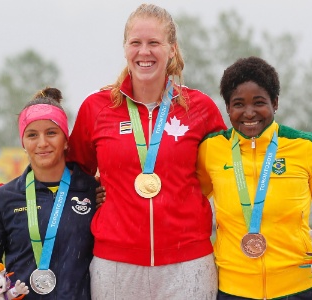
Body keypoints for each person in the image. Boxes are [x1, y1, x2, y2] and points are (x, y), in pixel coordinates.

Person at [67, 4, 226, 299]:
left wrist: (307, 151)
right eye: (136, 43)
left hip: (188, 262)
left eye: (154, 43)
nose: (144, 52)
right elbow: (69, 176)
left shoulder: (200, 108)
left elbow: (235, 166)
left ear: (172, 50)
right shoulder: (97, 108)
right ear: (125, 48)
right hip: (115, 263)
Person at [196, 56, 312, 300]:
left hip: (297, 288)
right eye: (238, 104)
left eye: (259, 102)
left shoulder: (306, 148)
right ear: (227, 107)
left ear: (275, 103)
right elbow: (188, 196)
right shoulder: (210, 150)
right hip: (233, 290)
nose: (249, 113)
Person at [0, 87, 99, 299]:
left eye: (51, 133)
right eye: (32, 135)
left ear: (66, 140)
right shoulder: (3, 198)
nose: (42, 143)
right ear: (23, 143)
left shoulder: (93, 191)